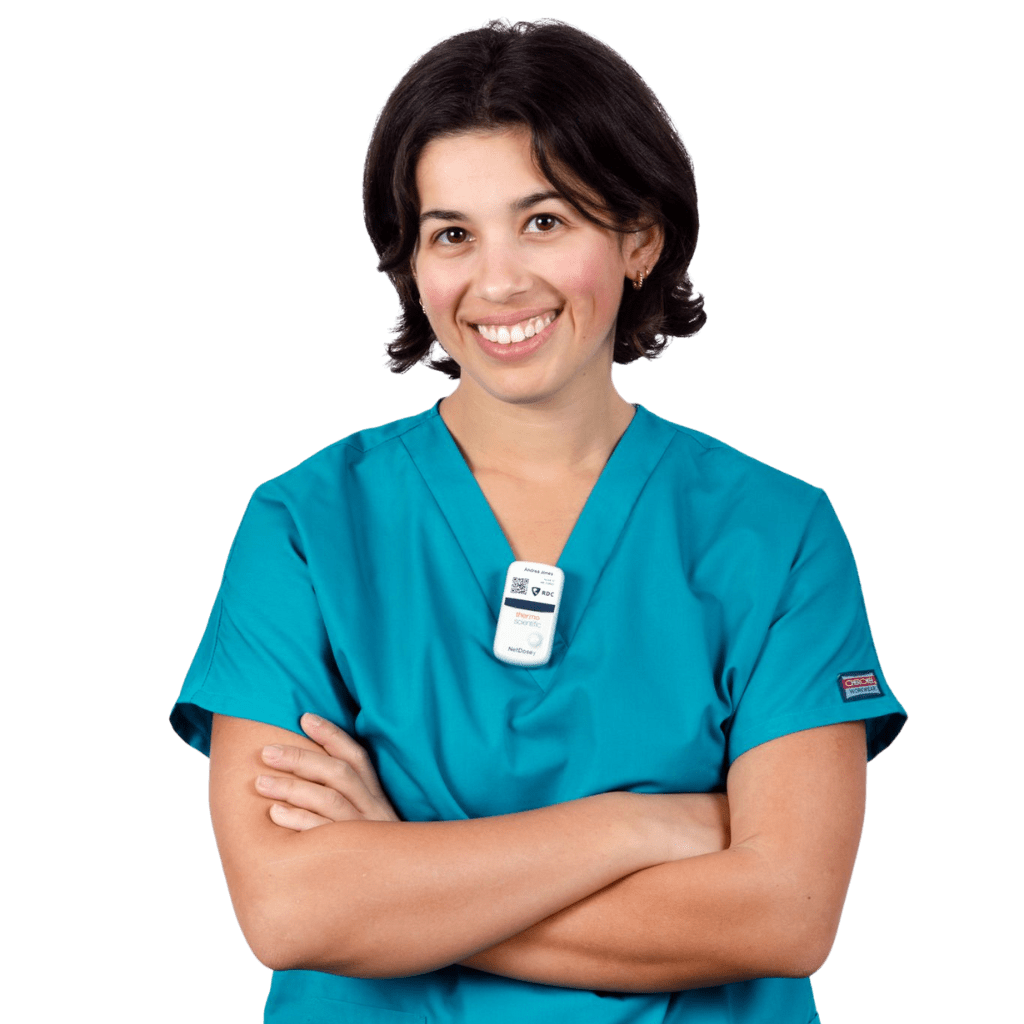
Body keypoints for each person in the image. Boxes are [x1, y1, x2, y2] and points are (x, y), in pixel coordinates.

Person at [170, 17, 907, 1023]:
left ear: (638, 238)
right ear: (413, 262)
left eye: (546, 221)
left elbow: (785, 913)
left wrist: (397, 874)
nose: (497, 281)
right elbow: (289, 907)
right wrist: (636, 828)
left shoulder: (774, 534)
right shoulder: (303, 527)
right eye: (451, 234)